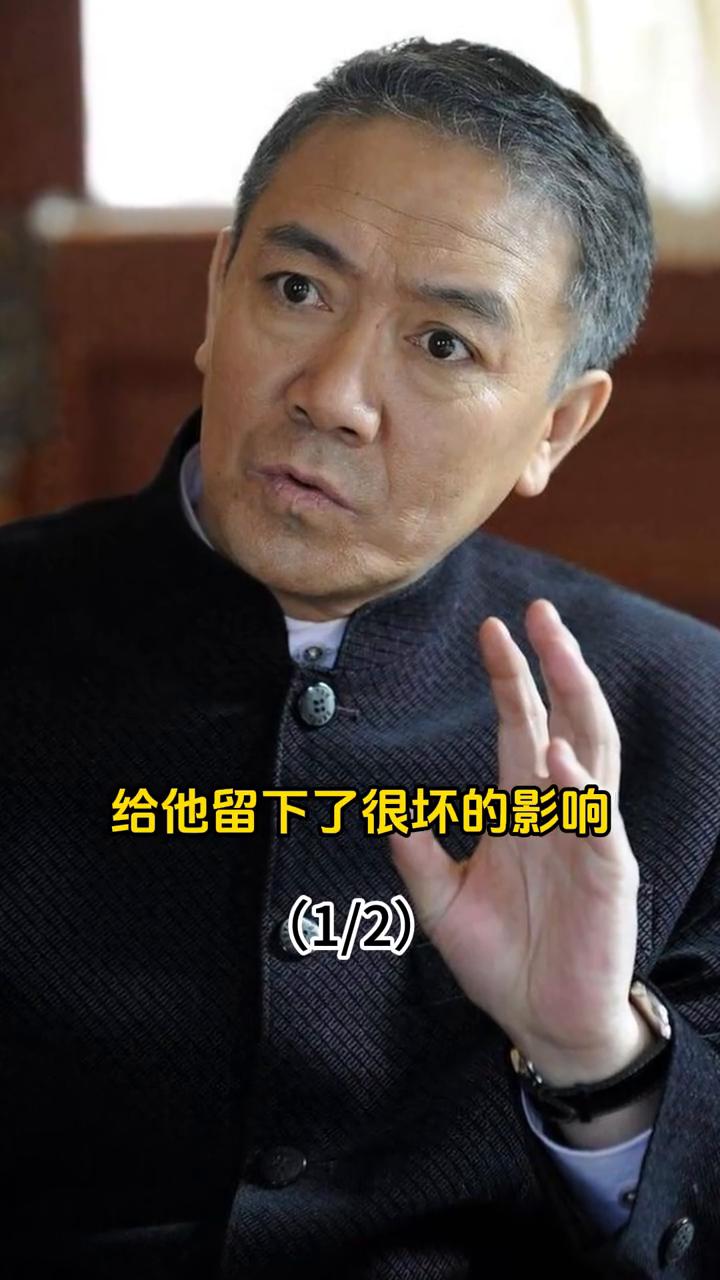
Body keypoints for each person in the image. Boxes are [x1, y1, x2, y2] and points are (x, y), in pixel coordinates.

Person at [1, 34, 719, 1280]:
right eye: (296, 289)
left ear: (556, 424)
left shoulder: (686, 724)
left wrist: (596, 1055)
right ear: (216, 294)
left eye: (443, 345)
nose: (333, 392)